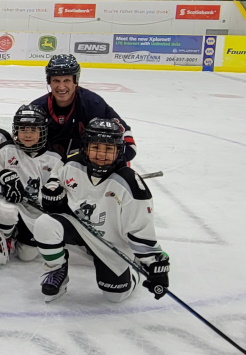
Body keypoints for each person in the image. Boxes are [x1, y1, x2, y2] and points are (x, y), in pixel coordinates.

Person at [33, 118, 168, 303]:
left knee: (115, 295)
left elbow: (140, 228)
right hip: (79, 229)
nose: (101, 154)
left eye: (109, 149)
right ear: (86, 147)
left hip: (110, 243)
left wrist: (154, 264)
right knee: (45, 223)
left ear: (119, 151)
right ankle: (57, 270)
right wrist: (52, 196)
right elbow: (53, 183)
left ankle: (134, 271)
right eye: (96, 147)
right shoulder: (71, 164)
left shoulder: (131, 184)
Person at [0, 104, 62, 263]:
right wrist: (3, 181)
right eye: (23, 130)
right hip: (10, 203)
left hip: (36, 211)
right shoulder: (4, 150)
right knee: (5, 212)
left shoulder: (54, 158)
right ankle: (4, 235)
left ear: (42, 131)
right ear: (15, 130)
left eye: (33, 130)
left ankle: (18, 234)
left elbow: (58, 187)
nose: (27, 135)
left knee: (27, 256)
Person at [30, 54, 135, 160]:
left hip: (85, 165)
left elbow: (128, 143)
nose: (61, 87)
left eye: (67, 80)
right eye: (56, 81)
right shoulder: (37, 108)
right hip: (48, 164)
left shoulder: (93, 104)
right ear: (49, 82)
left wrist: (112, 165)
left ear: (75, 82)